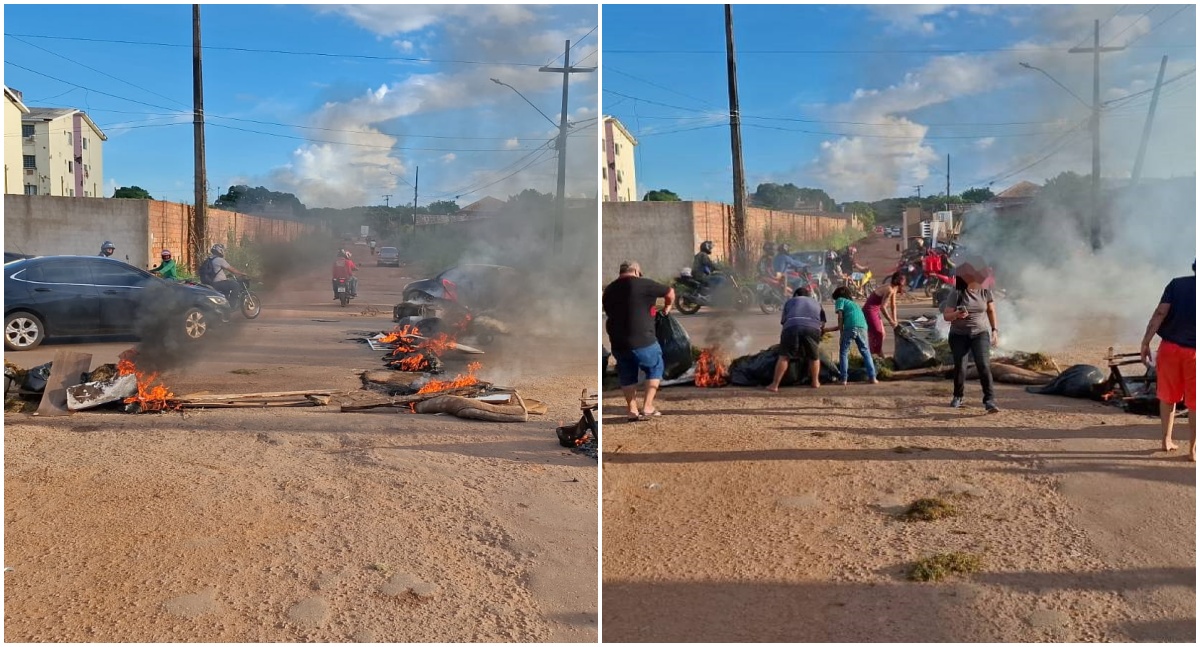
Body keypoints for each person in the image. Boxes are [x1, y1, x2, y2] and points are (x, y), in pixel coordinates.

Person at [602, 260, 675, 421]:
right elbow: (670, 292)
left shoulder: (609, 290)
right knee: (655, 367)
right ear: (636, 271)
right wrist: (667, 308)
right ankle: (648, 407)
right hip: (644, 340)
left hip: (618, 342)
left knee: (627, 375)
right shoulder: (644, 284)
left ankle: (632, 411)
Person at [1140, 260, 1196, 460]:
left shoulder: (1176, 284)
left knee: (1167, 397)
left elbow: (1160, 313)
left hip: (1170, 349)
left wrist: (1146, 342)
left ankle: (1166, 440)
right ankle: (1193, 450)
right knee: (1195, 403)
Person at [941, 273, 1000, 413]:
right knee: (960, 366)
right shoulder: (956, 293)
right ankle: (958, 396)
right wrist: (956, 315)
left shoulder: (985, 291)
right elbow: (946, 316)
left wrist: (994, 330)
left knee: (984, 365)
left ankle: (989, 400)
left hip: (980, 333)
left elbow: (991, 310)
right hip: (959, 335)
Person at [767, 286, 827, 392]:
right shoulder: (816, 302)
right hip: (812, 327)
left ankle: (775, 385)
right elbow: (822, 323)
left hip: (792, 326)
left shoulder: (790, 302)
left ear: (796, 295)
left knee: (784, 356)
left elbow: (784, 321)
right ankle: (815, 382)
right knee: (814, 356)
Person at [825, 287, 878, 385]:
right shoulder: (854, 304)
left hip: (850, 326)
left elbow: (840, 317)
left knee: (844, 352)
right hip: (862, 326)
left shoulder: (840, 300)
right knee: (866, 352)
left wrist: (841, 334)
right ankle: (873, 378)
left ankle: (843, 379)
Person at [864, 272, 905, 356]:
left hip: (874, 310)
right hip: (869, 310)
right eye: (902, 282)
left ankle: (877, 355)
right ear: (897, 280)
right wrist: (890, 320)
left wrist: (895, 321)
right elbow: (883, 307)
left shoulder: (894, 288)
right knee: (879, 334)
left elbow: (893, 306)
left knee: (882, 334)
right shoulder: (889, 289)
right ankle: (875, 356)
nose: (903, 285)